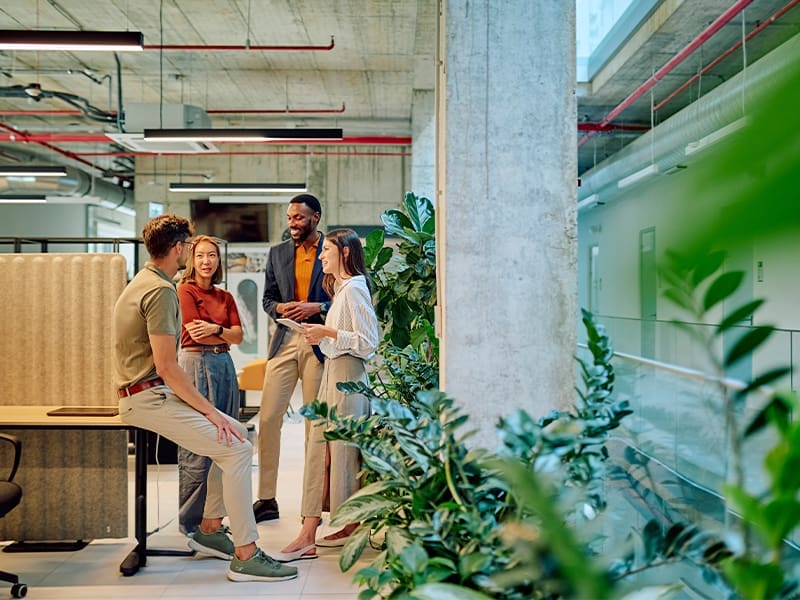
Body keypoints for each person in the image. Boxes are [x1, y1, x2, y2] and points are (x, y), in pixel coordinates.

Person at [112, 214, 297, 583]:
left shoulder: (145, 281)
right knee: (237, 447)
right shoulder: (162, 290)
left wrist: (216, 414)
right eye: (191, 249)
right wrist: (211, 412)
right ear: (179, 248)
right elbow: (168, 365)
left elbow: (232, 336)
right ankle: (246, 554)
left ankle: (212, 528)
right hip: (146, 397)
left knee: (238, 436)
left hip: (147, 391)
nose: (197, 257)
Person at [274, 228, 379, 562]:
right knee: (321, 450)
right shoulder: (343, 290)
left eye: (326, 251)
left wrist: (327, 331)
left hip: (348, 374)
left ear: (344, 253)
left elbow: (368, 342)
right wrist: (319, 335)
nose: (320, 257)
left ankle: (338, 526)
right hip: (334, 372)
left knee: (342, 453)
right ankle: (313, 529)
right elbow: (345, 337)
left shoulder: (354, 290)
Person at [254, 193, 331, 523]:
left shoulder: (333, 250)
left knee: (315, 426)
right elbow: (268, 299)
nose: (292, 224)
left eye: (298, 218)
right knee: (269, 418)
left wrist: (319, 307)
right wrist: (280, 308)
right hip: (284, 340)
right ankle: (267, 499)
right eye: (289, 218)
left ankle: (311, 507)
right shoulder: (278, 253)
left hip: (318, 342)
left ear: (315, 218)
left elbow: (354, 291)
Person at [176, 234, 243, 536]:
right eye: (201, 255)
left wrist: (217, 329)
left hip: (224, 366)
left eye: (212, 256)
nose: (206, 261)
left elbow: (239, 337)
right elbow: (195, 333)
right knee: (196, 444)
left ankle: (212, 519)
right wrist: (224, 332)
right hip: (195, 363)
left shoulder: (225, 296)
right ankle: (190, 523)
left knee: (225, 439)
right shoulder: (184, 290)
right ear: (192, 259)